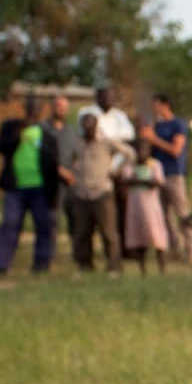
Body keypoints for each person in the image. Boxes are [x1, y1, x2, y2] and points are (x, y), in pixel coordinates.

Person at [0, 97, 65, 279]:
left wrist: (53, 194)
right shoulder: (11, 126)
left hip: (40, 189)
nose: (33, 111)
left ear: (41, 110)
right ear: (25, 108)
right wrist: (18, 133)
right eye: (30, 107)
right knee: (10, 224)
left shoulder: (47, 135)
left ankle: (41, 265)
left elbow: (53, 166)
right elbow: (2, 148)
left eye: (37, 108)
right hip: (16, 188)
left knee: (43, 226)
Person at [68, 113, 129, 274]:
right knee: (82, 232)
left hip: (102, 192)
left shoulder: (105, 142)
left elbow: (129, 153)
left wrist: (117, 170)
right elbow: (71, 159)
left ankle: (114, 266)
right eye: (84, 126)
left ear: (96, 126)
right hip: (82, 192)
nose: (87, 129)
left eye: (90, 126)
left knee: (108, 231)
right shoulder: (78, 143)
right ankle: (85, 265)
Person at [139, 94, 192, 263]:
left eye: (156, 105)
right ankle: (174, 249)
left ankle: (191, 251)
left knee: (182, 213)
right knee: (164, 215)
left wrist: (153, 139)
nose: (155, 109)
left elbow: (176, 150)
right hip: (158, 175)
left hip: (174, 174)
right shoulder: (156, 125)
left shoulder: (178, 125)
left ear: (165, 105)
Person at [121, 138, 168, 276]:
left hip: (151, 206)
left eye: (144, 150)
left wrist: (138, 180)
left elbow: (157, 182)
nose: (142, 153)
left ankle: (162, 267)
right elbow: (126, 180)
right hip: (135, 205)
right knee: (139, 237)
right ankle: (143, 270)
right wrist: (144, 181)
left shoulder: (155, 165)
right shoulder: (130, 165)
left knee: (156, 235)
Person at [44, 96, 79, 243]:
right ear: (51, 107)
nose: (61, 109)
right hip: (51, 181)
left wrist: (73, 172)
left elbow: (77, 153)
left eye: (64, 107)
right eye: (59, 106)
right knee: (52, 220)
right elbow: (43, 155)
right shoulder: (43, 128)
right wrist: (61, 171)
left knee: (76, 219)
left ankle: (79, 256)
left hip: (71, 182)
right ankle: (48, 256)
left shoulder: (72, 130)